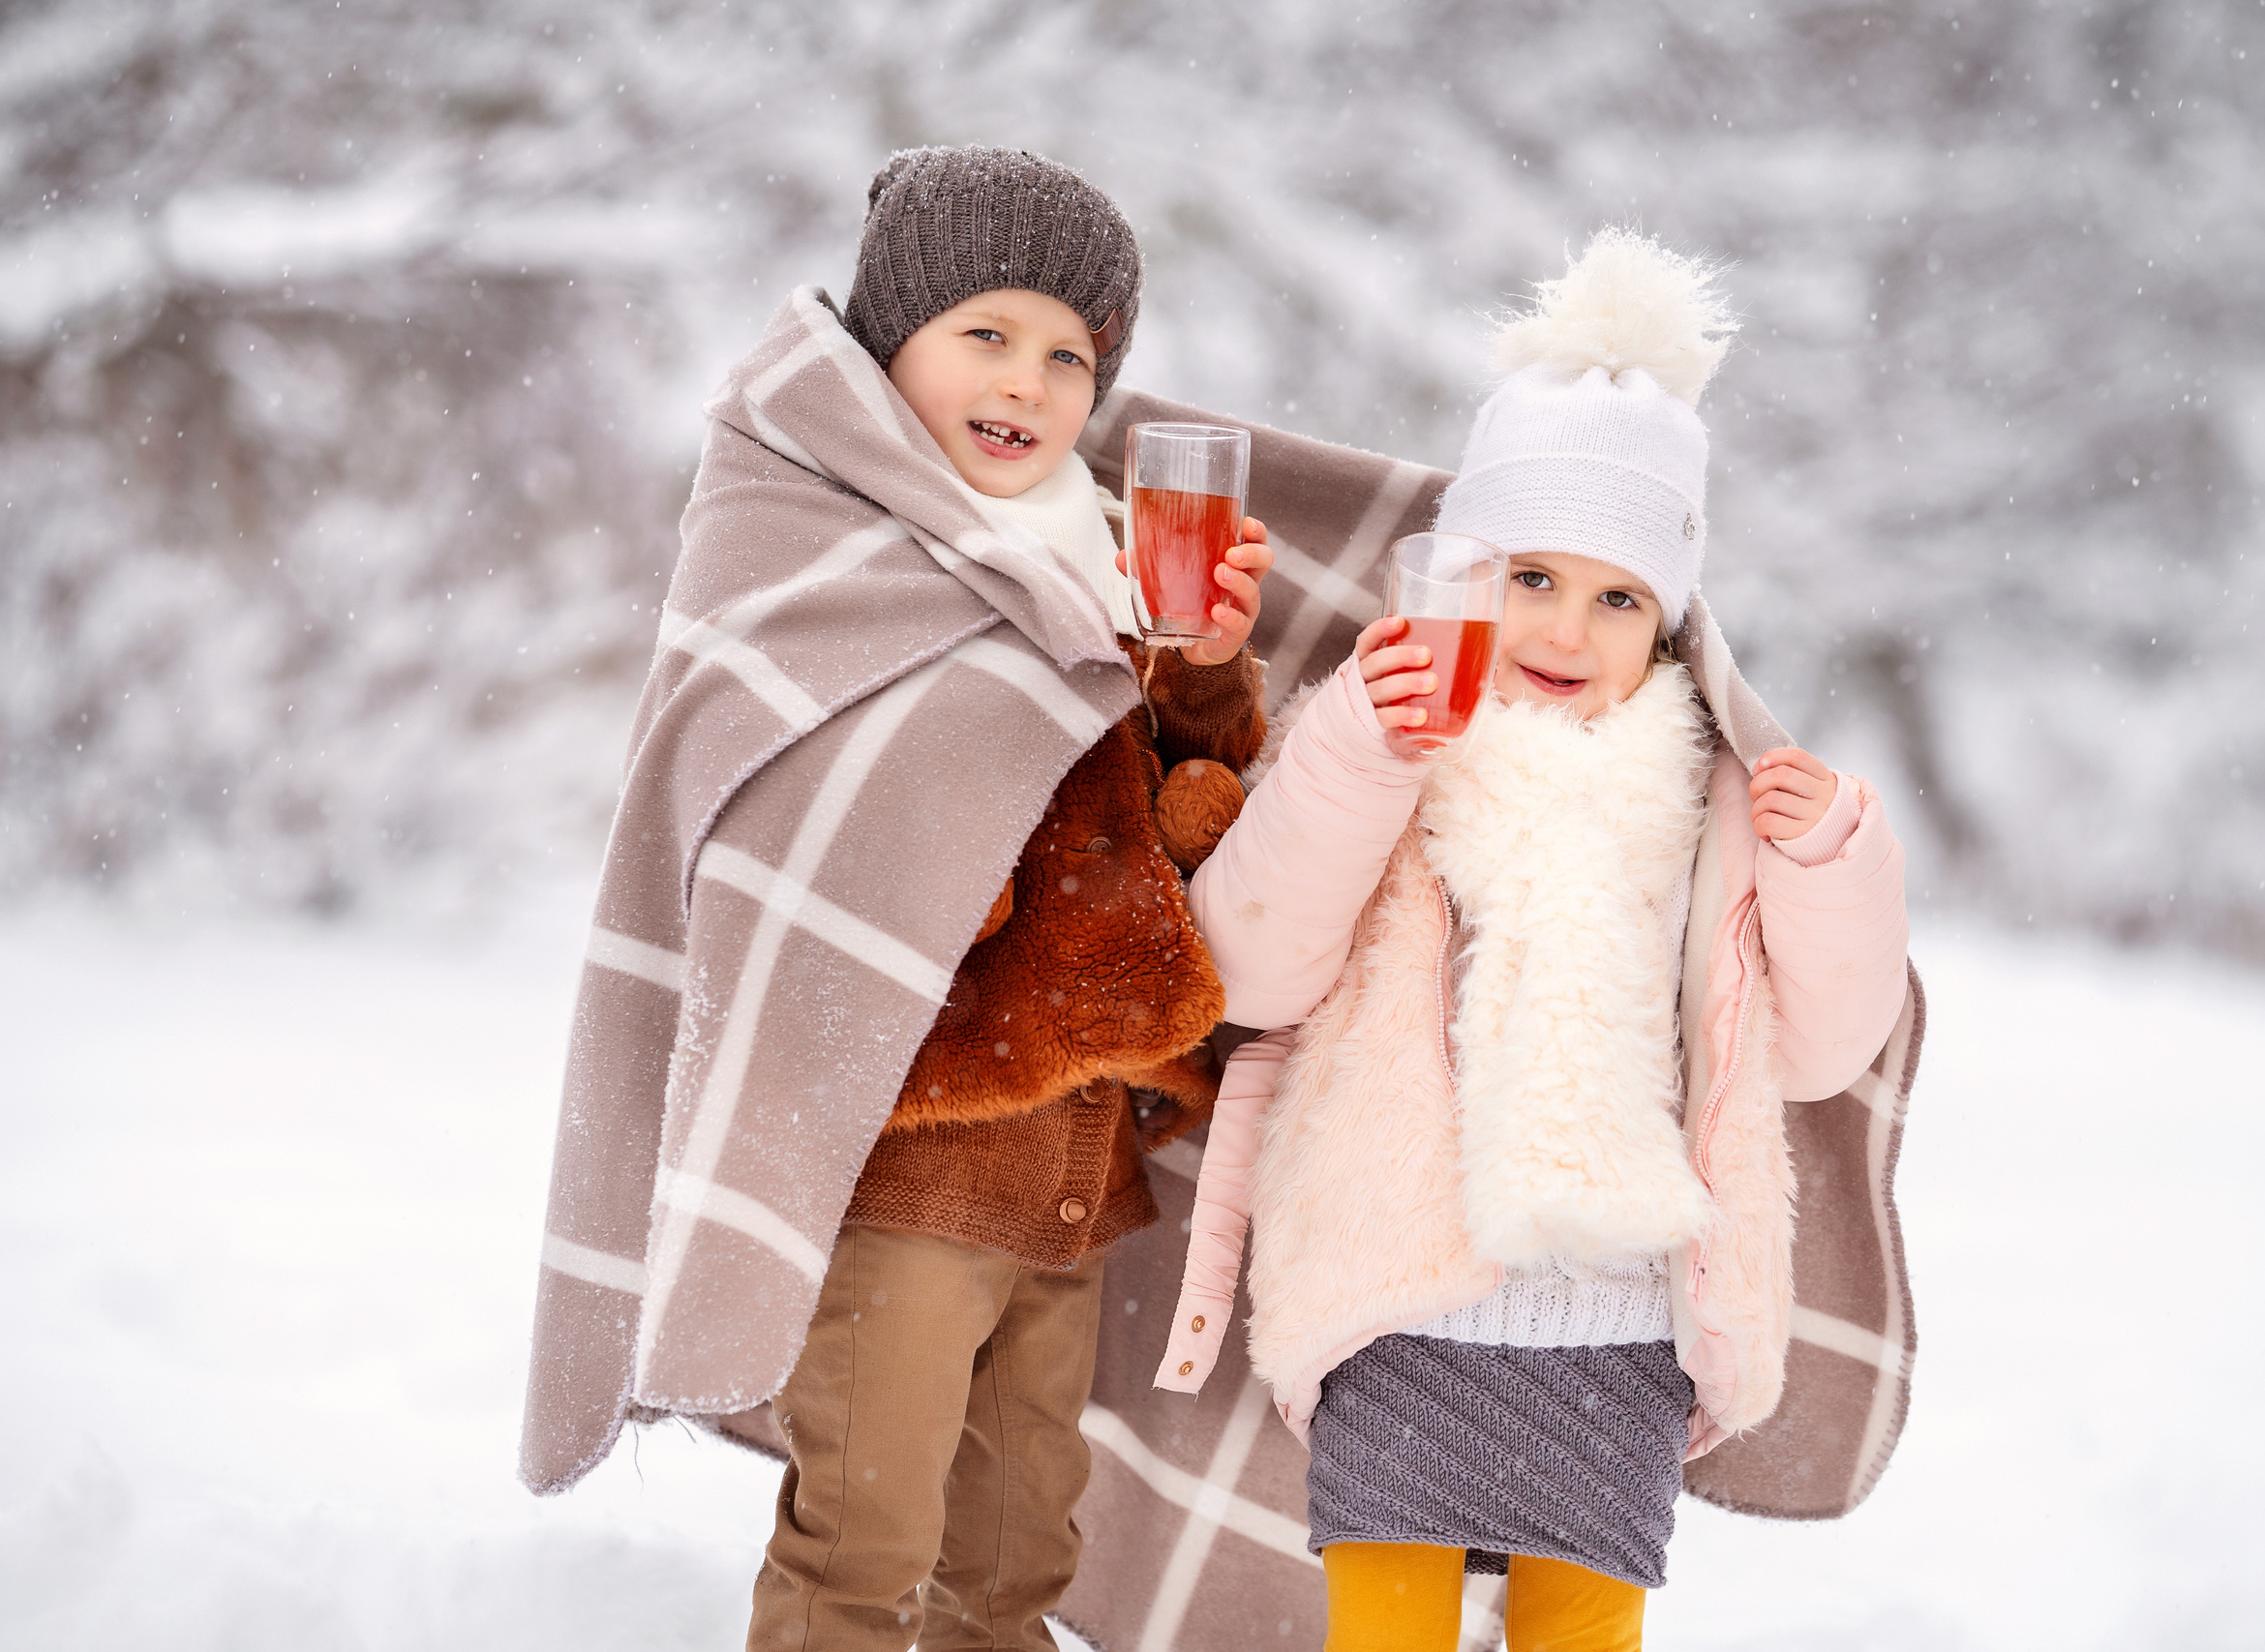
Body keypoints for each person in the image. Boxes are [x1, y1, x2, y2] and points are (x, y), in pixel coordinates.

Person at [517, 145, 1274, 1652]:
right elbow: (792, 831)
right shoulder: (816, 539)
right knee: (864, 1538)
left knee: (1013, 1558)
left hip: (1068, 1166)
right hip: (907, 1154)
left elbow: (1170, 814)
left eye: (1073, 354)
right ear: (890, 350)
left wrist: (1196, 669)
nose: (1033, 382)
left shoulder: (1097, 552)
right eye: (985, 334)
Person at [1152, 229, 1913, 1649]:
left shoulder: (1713, 805)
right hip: (1395, 1287)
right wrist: (1363, 755)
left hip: (1624, 1315)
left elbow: (1821, 1047)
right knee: (1387, 1629)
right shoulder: (1391, 737)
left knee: (1582, 1632)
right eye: (1532, 579)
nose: (1569, 626)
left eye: (1618, 596)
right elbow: (1251, 964)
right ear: (1466, 583)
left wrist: (1829, 864)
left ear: (1669, 626)